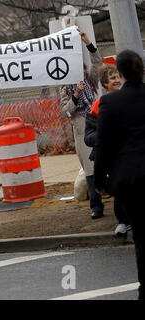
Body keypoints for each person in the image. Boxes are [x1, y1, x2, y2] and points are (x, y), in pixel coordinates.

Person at [94, 50, 145, 300]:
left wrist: (100, 180)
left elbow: (102, 144)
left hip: (131, 178)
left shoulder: (111, 103)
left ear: (121, 73)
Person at [60, 28, 104, 219]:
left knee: (105, 166)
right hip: (81, 131)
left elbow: (98, 63)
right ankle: (96, 207)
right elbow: (67, 111)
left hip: (97, 125)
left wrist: (88, 43)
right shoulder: (65, 88)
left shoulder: (91, 81)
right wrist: (76, 95)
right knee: (90, 171)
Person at [84, 64, 131, 237]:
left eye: (118, 76)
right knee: (120, 189)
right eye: (112, 78)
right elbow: (88, 137)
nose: (117, 80)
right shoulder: (98, 106)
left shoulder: (130, 99)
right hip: (111, 157)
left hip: (129, 154)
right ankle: (123, 222)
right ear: (104, 85)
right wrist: (104, 136)